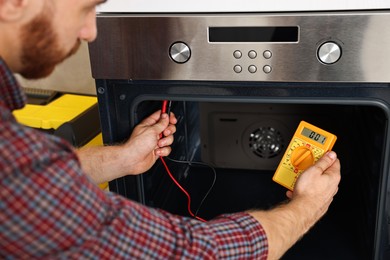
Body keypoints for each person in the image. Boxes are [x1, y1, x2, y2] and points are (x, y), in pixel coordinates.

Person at [0, 0, 341, 259]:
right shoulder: (12, 165)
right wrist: (309, 204)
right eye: (87, 8)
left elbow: (38, 175)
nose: (91, 31)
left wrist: (120, 159)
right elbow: (187, 253)